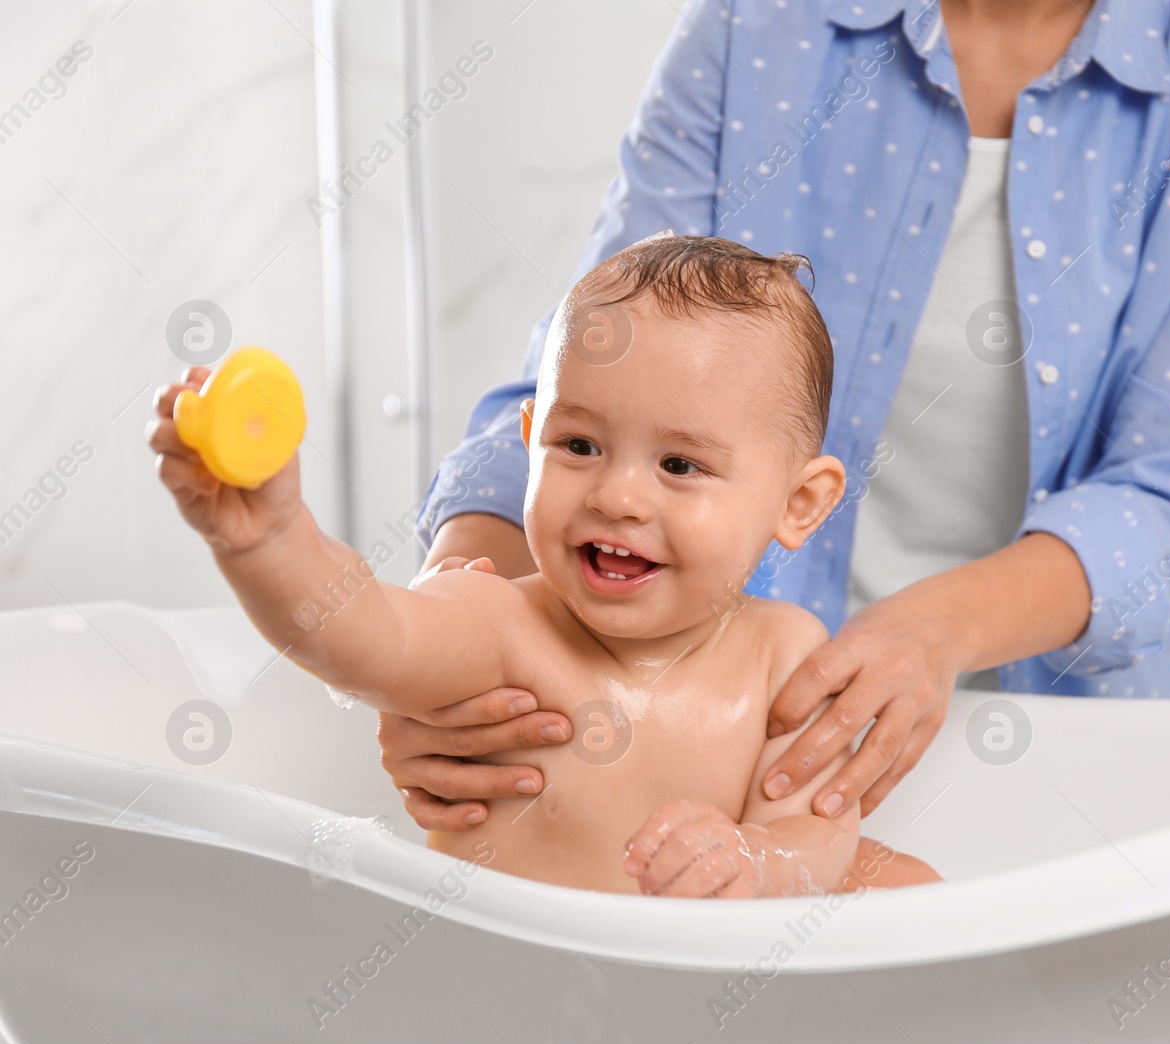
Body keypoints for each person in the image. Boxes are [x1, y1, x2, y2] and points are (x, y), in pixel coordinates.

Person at [381, 0, 1170, 835]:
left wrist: (937, 627)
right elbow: (590, 370)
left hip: (1062, 738)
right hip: (720, 722)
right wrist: (446, 645)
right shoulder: (757, 25)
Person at [147, 234, 938, 897]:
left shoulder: (782, 659)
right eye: (580, 445)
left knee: (913, 886)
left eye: (680, 465)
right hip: (515, 1002)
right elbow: (358, 633)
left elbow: (813, 829)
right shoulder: (498, 625)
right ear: (529, 440)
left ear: (798, 504)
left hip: (686, 1011)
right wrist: (268, 537)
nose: (619, 495)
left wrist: (756, 862)